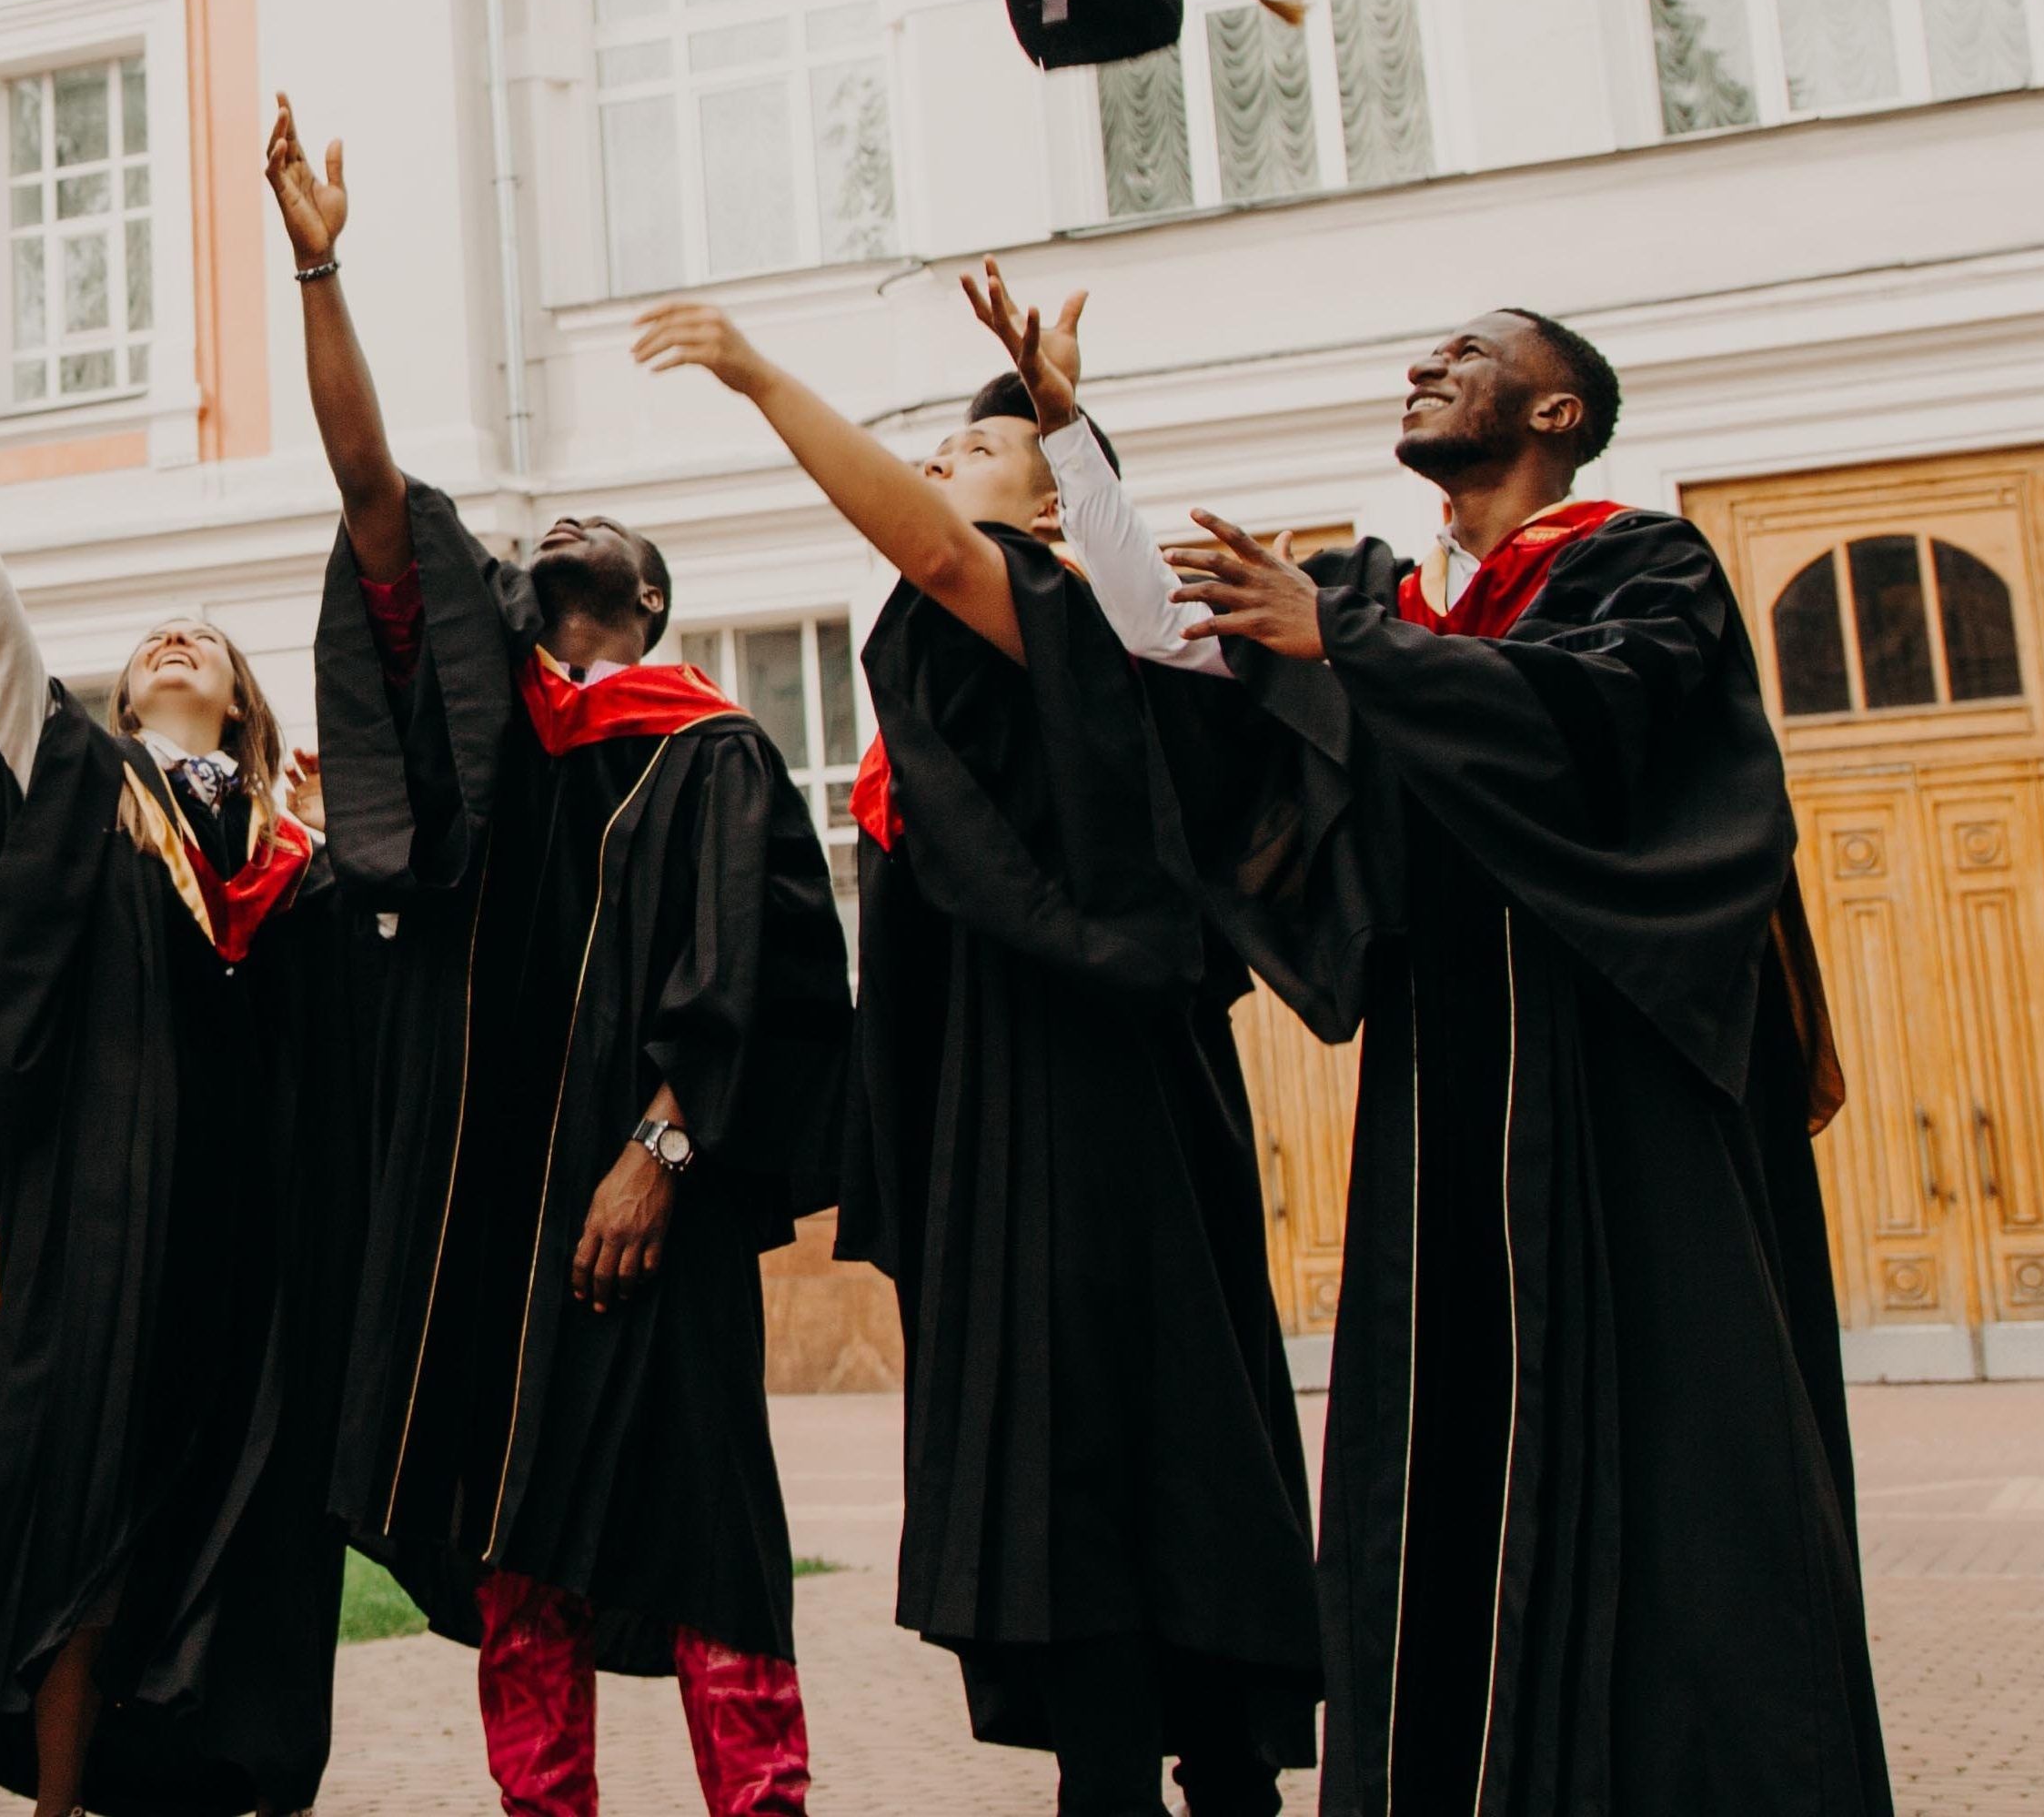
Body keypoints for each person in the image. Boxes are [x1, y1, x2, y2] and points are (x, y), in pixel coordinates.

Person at [635, 268, 1348, 1817]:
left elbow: (936, 538)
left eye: (970, 454)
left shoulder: (1068, 619)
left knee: (1119, 1423)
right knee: (1079, 1429)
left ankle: (1196, 1770)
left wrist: (759, 377)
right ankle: (1151, 1768)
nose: (940, 469)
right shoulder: (997, 646)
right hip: (1011, 1091)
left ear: (1042, 518)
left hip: (1097, 1089)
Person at [1165, 310, 1890, 1817]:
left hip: (1612, 1098)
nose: (1426, 361)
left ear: (1556, 409)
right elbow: (1293, 758)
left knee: (1675, 1476)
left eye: (1470, 351)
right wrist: (1067, 446)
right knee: (1431, 1478)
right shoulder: (1390, 596)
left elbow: (1587, 718)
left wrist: (1345, 641)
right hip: (1445, 1101)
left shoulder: (1645, 565)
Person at [270, 105, 851, 1817]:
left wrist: (662, 1152)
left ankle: (764, 1801)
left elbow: (754, 994)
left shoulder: (712, 750)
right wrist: (320, 264)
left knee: (710, 1537)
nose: (560, 539)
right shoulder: (492, 749)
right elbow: (370, 491)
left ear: (650, 599)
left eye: (602, 533)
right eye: (548, 534)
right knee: (519, 1547)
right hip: (490, 1227)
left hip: (642, 1217)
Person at [0, 323, 355, 1817]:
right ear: (124, 699)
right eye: (150, 643)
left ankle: (194, 1772)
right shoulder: (93, 785)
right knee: (74, 1498)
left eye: (203, 637)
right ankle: (50, 1802)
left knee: (229, 1507)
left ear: (243, 703)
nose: (171, 640)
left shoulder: (293, 850)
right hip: (105, 1202)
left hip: (246, 1228)